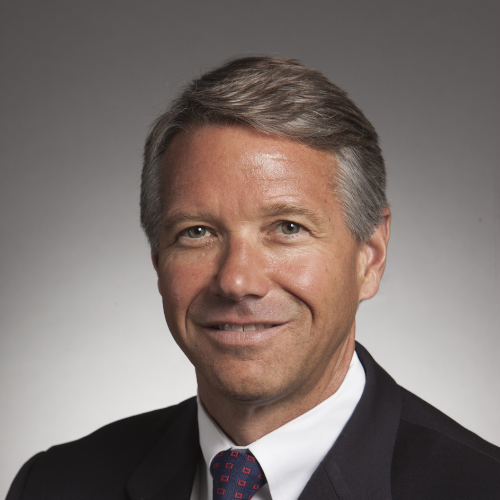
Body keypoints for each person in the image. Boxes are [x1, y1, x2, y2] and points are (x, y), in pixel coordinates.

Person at [7, 56, 500, 500]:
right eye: (197, 232)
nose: (237, 281)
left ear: (369, 257)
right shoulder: (52, 485)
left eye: (288, 228)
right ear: (158, 259)